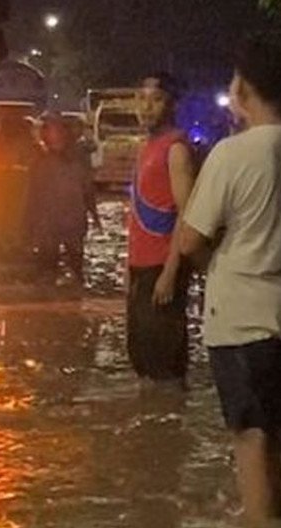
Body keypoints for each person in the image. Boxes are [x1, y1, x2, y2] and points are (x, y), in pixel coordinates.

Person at [178, 36, 281, 523]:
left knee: (252, 436)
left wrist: (212, 266)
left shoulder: (230, 154)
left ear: (242, 88)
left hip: (242, 315)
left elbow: (190, 240)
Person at [126, 72, 197, 382]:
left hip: (163, 267)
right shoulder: (146, 148)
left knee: (164, 362)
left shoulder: (176, 149)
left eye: (156, 100)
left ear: (171, 104)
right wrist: (129, 267)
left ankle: (170, 419)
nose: (146, 107)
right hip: (141, 267)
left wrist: (170, 272)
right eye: (142, 99)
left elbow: (186, 213)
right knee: (142, 356)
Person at [27, 113, 100, 283]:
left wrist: (94, 214)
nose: (55, 137)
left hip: (72, 219)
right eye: (51, 133)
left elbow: (87, 188)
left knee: (75, 260)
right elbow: (33, 193)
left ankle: (71, 293)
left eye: (59, 132)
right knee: (48, 263)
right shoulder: (40, 160)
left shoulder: (78, 158)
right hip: (50, 221)